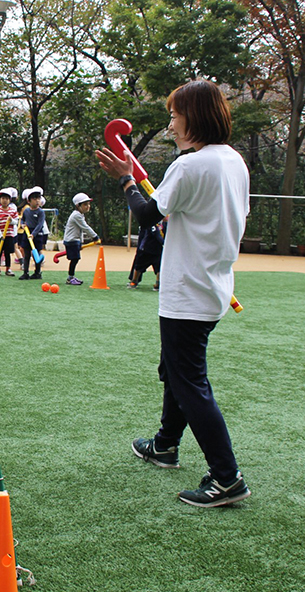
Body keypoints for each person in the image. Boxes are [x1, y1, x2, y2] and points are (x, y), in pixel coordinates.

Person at [96, 79, 250, 508]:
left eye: (173, 115)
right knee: (176, 371)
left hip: (188, 290)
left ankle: (227, 477)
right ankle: (165, 444)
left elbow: (147, 212)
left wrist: (126, 179)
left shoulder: (190, 165)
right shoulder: (233, 161)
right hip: (213, 286)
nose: (170, 124)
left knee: (189, 382)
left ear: (192, 117)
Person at [62, 193, 99, 285]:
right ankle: (70, 278)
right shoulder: (76, 215)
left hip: (74, 240)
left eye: (88, 204)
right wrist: (95, 236)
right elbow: (85, 227)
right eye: (85, 204)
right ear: (78, 206)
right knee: (75, 259)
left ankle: (71, 277)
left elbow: (81, 230)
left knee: (75, 259)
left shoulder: (80, 214)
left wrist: (80, 243)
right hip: (71, 241)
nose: (88, 206)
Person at [128, 219, 164, 290]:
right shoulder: (152, 224)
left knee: (159, 267)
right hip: (147, 249)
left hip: (157, 250)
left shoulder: (163, 225)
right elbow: (156, 235)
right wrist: (164, 243)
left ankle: (158, 284)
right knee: (139, 266)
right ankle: (134, 281)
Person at [19, 188, 46, 280]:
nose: (37, 201)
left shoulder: (41, 212)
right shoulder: (26, 211)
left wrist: (33, 234)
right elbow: (23, 219)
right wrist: (22, 224)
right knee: (27, 254)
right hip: (27, 233)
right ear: (29, 201)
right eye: (34, 199)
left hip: (37, 235)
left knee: (36, 255)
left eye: (38, 198)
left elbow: (40, 225)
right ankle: (25, 273)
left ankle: (37, 273)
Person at [0, 188, 18, 276]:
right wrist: (0, 234)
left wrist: (11, 220)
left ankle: (8, 269)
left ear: (10, 200)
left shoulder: (12, 211)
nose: (4, 200)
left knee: (7, 252)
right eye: (3, 198)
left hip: (9, 235)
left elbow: (16, 222)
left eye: (6, 198)